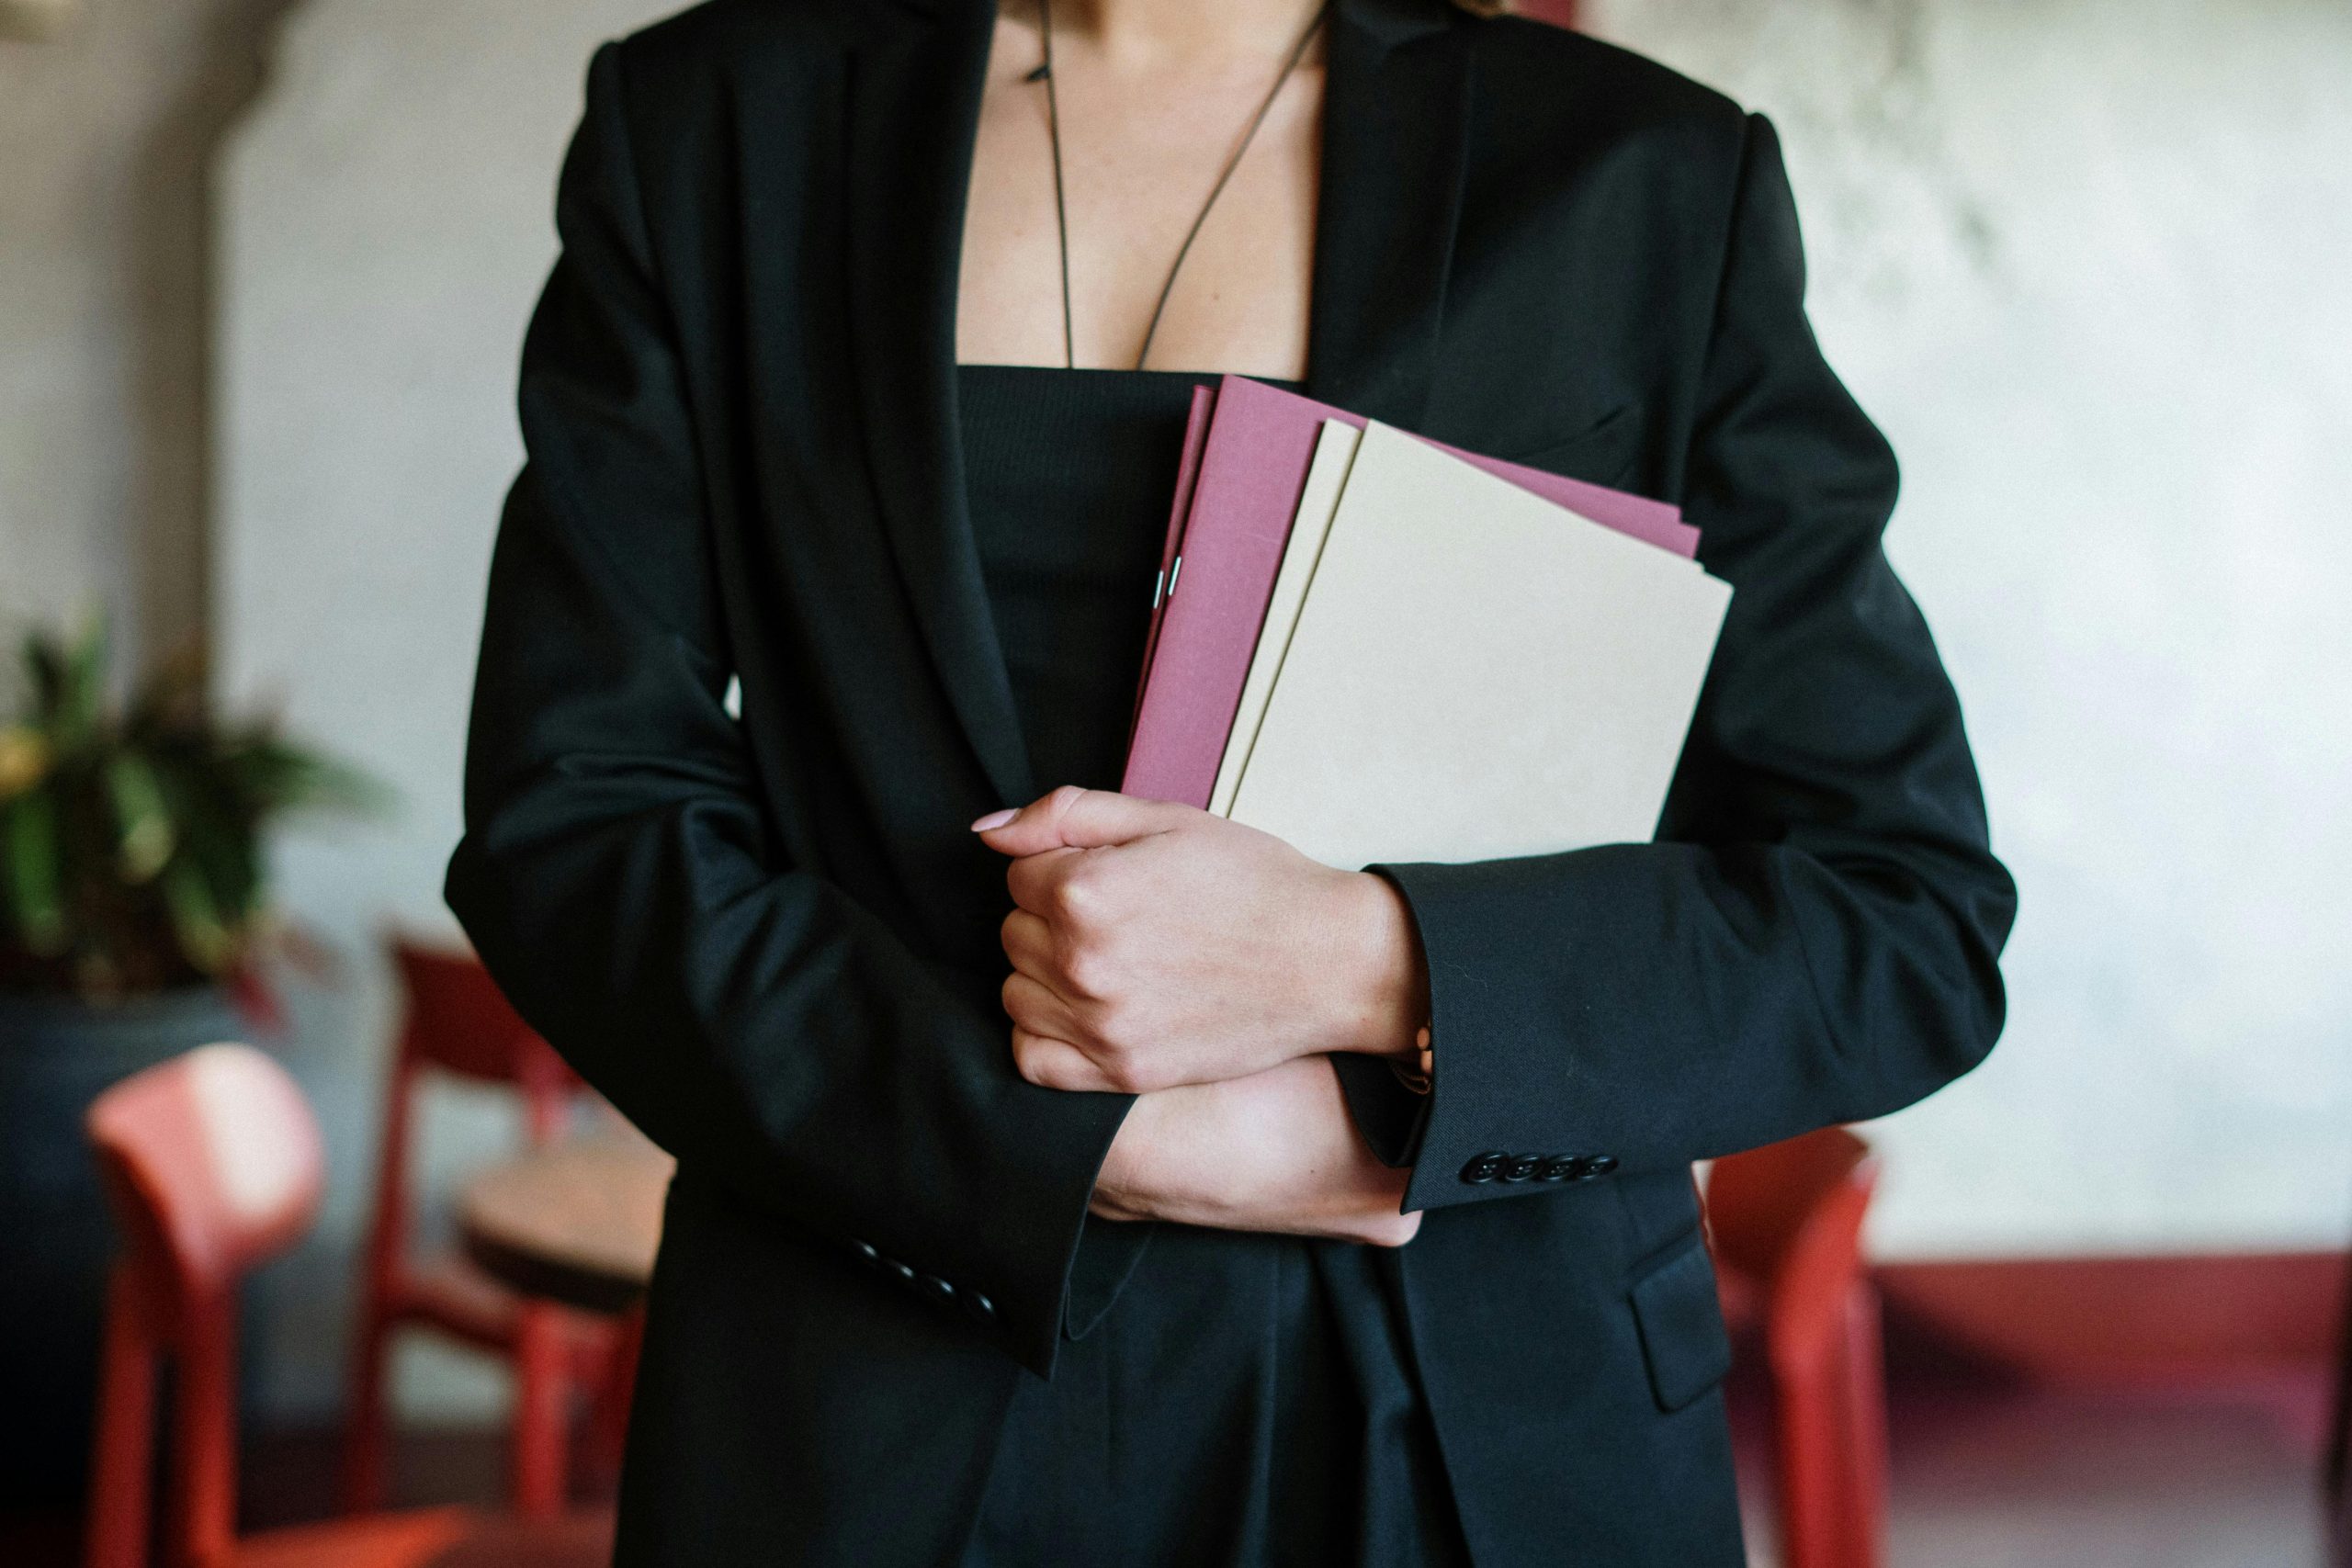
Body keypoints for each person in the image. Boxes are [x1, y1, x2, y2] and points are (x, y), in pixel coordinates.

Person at [446, 0, 2017, 1562]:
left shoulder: (1646, 174)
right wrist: (1078, 1144)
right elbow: (575, 810)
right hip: (866, 1413)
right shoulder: (715, 123)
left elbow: (1899, 912)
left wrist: (1365, 963)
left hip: (1488, 1433)